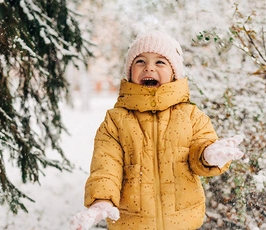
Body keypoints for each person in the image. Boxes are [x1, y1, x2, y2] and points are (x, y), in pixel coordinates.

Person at [70, 31, 244, 230]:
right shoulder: (116, 121)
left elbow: (199, 153)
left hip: (183, 222)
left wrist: (209, 155)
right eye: (140, 61)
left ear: (174, 73)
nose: (149, 67)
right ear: (130, 72)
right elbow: (106, 167)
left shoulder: (191, 115)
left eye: (160, 62)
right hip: (131, 224)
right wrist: (101, 201)